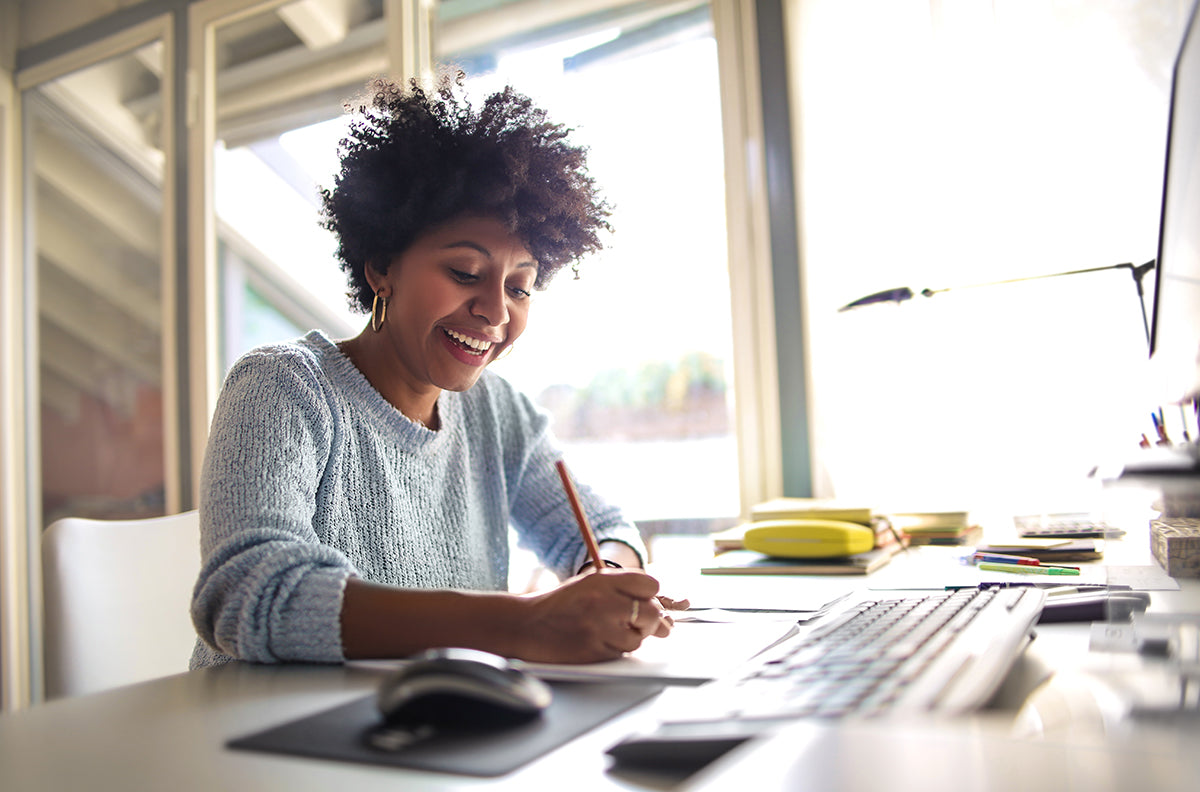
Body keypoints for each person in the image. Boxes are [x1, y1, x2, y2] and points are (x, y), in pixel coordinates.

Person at [189, 73, 686, 670]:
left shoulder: (497, 412)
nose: (496, 311)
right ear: (381, 267)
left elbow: (601, 527)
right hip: (265, 738)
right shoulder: (286, 388)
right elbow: (249, 595)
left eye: (520, 286)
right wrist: (523, 624)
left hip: (437, 729)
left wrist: (607, 581)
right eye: (464, 272)